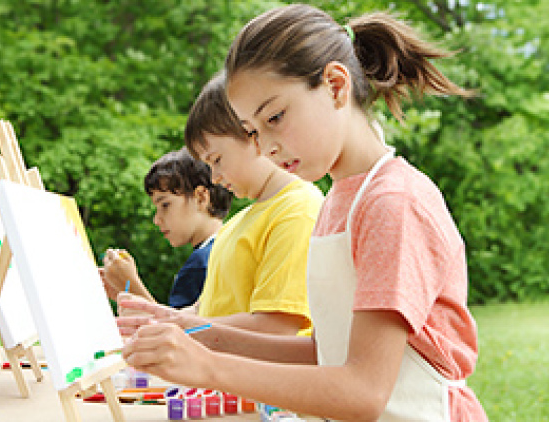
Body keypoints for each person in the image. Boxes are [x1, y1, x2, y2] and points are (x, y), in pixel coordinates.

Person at [120, 5, 487, 421]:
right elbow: (325, 353)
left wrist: (209, 367)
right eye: (254, 131)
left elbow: (364, 392)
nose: (266, 147)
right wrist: (198, 333)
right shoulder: (336, 201)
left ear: (334, 86)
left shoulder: (392, 201)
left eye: (275, 116)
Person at [117, 70, 324, 341]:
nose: (214, 177)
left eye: (216, 159)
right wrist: (157, 318)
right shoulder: (235, 225)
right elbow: (205, 311)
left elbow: (278, 326)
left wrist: (179, 326)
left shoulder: (298, 209)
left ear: (253, 135)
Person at [101, 147, 232, 308]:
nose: (157, 219)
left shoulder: (202, 264)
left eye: (165, 204)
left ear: (200, 198)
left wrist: (131, 287)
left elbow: (180, 330)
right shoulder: (231, 248)